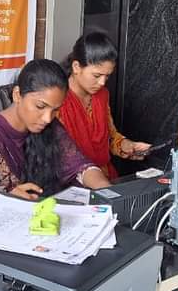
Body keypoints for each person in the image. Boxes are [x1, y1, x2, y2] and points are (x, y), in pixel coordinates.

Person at [0, 59, 111, 215]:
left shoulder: (49, 127)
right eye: (40, 106)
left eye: (55, 110)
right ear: (17, 95)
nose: (47, 118)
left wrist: (109, 192)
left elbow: (80, 167)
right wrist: (3, 200)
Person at [56, 32, 150, 181]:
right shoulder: (57, 99)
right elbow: (57, 154)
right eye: (96, 75)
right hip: (72, 180)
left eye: (107, 76)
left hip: (105, 175)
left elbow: (110, 137)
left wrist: (127, 145)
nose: (102, 82)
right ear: (76, 67)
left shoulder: (102, 95)